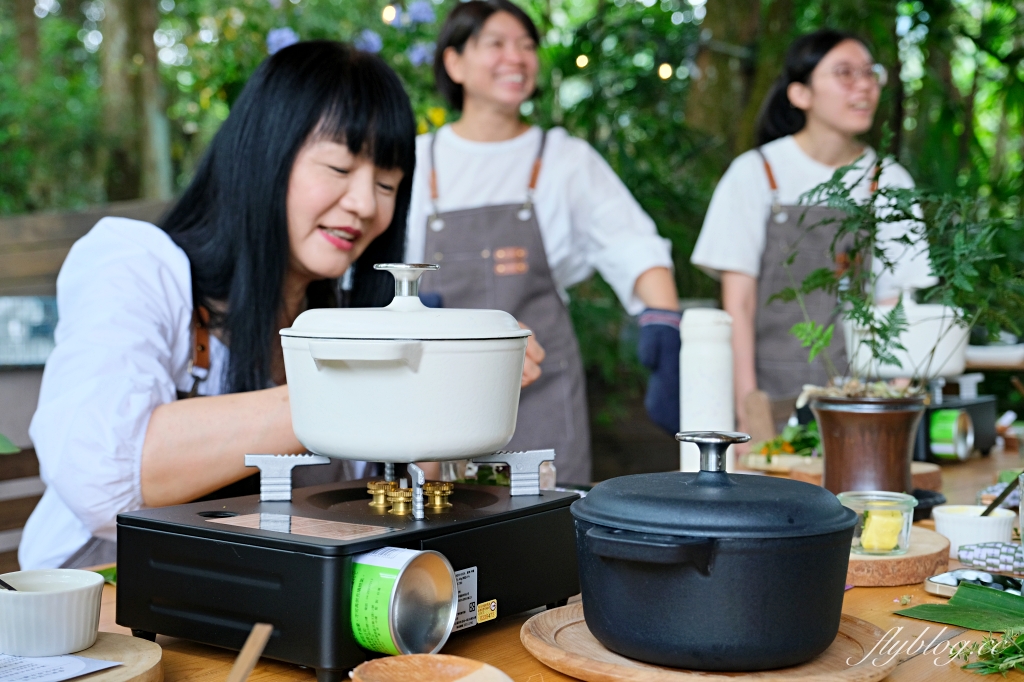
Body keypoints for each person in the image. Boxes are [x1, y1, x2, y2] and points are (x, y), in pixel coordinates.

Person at [19, 41, 426, 570]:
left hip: (260, 600)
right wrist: (360, 387)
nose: (366, 204)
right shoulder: (138, 265)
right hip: (101, 606)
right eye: (339, 167)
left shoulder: (339, 319)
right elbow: (101, 480)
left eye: (387, 183)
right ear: (264, 155)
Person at [406, 0, 681, 484]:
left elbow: (633, 243)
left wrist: (663, 321)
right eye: (496, 44)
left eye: (527, 46)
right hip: (435, 396)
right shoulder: (417, 160)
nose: (516, 57)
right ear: (454, 62)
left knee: (547, 523)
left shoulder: (564, 158)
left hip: (543, 395)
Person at [691, 30, 935, 437]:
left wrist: (892, 409)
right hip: (769, 401)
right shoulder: (755, 173)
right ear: (800, 93)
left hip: (860, 405)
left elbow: (895, 305)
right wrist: (749, 413)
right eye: (845, 73)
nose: (864, 85)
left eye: (869, 73)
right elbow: (739, 303)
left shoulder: (890, 180)